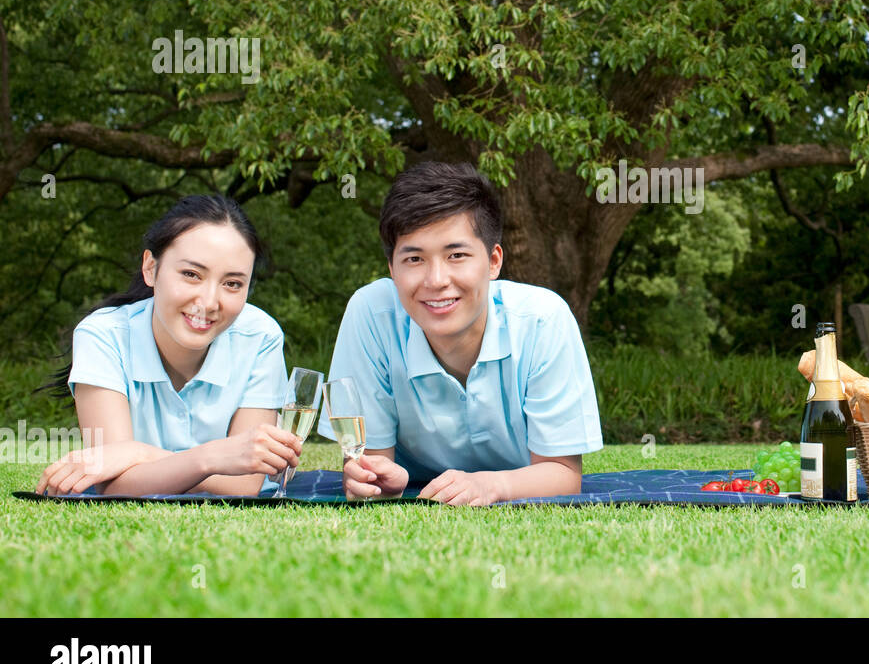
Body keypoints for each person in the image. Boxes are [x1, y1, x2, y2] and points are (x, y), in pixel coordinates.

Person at [322, 161, 603, 505]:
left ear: (494, 261)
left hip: (512, 484)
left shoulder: (543, 320)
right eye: (414, 259)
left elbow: (562, 474)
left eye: (456, 255)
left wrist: (490, 486)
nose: (436, 280)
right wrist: (372, 478)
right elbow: (371, 466)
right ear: (391, 268)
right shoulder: (371, 314)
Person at [35, 195, 302, 497]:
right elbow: (114, 485)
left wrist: (138, 454)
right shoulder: (103, 335)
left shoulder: (261, 336)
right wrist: (215, 458)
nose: (209, 302)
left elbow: (246, 484)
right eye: (191, 274)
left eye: (232, 284)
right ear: (151, 268)